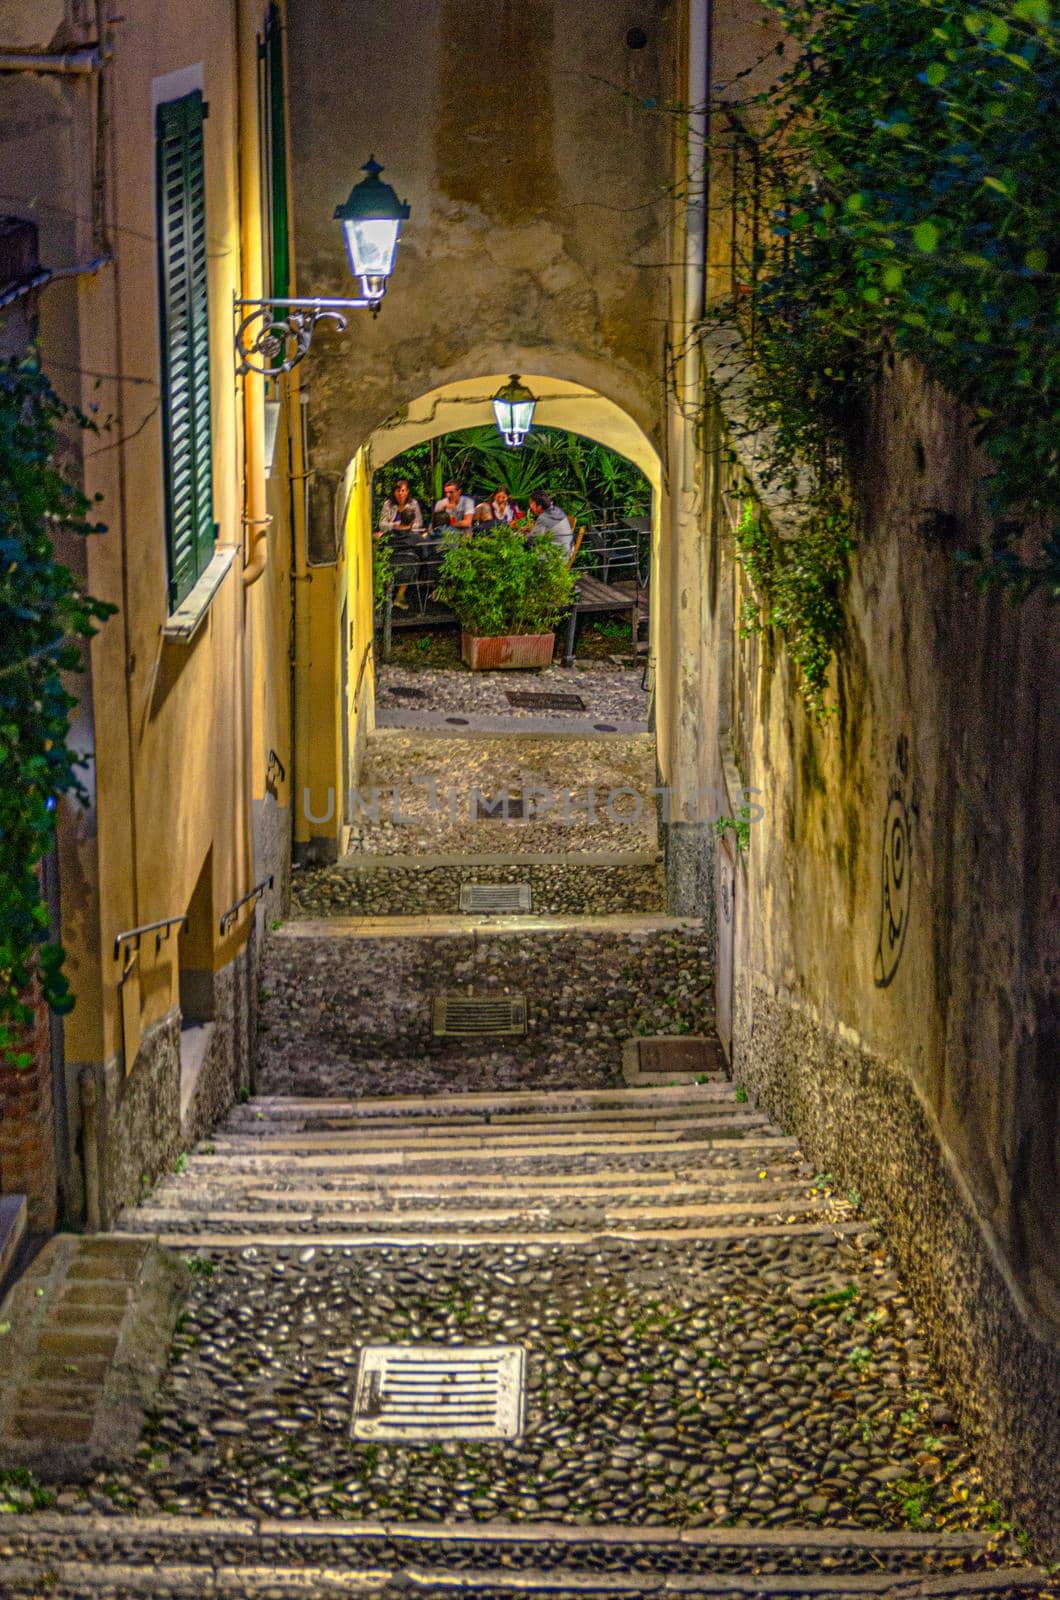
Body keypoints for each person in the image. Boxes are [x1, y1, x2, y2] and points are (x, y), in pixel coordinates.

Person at [527, 490, 573, 555]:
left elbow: (531, 540)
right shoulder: (557, 510)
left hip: (557, 558)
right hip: (567, 551)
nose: (530, 507)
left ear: (539, 506)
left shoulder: (544, 518)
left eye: (532, 504)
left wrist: (519, 536)